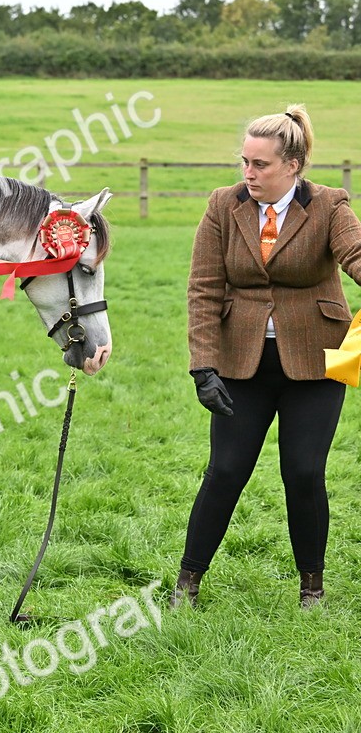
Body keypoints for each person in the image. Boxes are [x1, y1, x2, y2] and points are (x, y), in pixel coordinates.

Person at [172, 104, 361, 609]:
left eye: (261, 165)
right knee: (226, 470)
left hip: (318, 362)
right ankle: (187, 584)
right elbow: (204, 288)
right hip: (241, 363)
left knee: (303, 472)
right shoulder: (222, 205)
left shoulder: (329, 205)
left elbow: (355, 255)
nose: (249, 173)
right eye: (245, 162)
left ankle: (312, 589)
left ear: (293, 165)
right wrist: (203, 366)